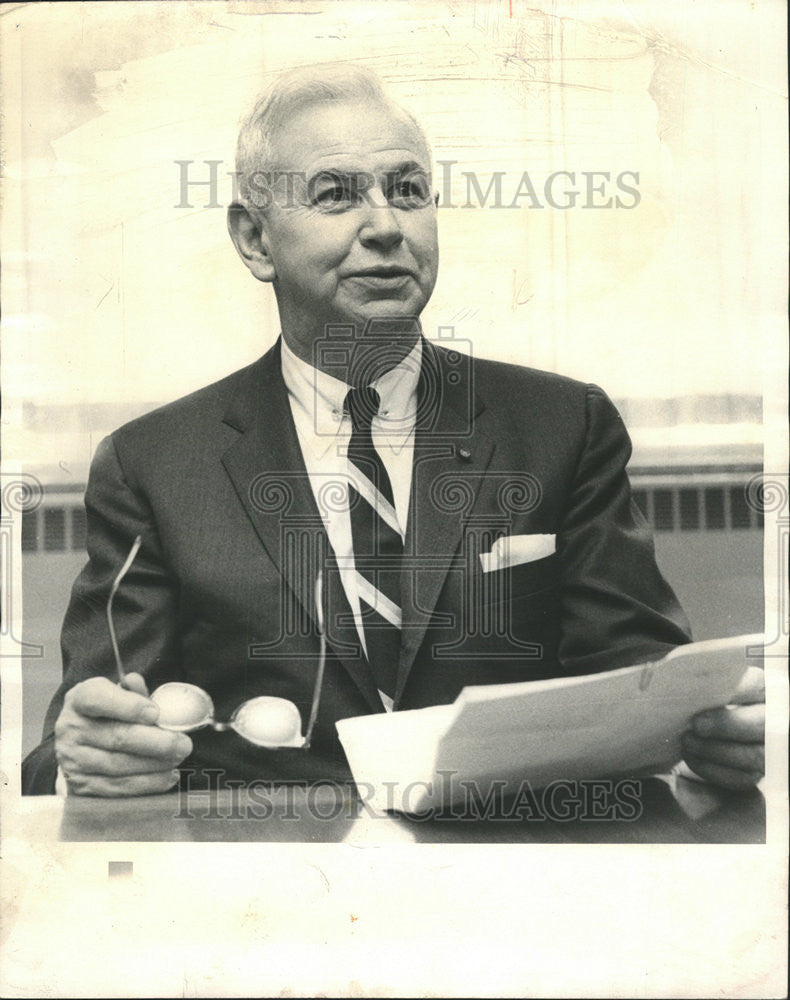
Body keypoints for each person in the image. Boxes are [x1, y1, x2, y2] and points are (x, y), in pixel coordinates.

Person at [22, 64, 764, 798]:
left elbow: (643, 678)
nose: (385, 225)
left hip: (513, 872)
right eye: (336, 194)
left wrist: (708, 734)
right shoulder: (153, 464)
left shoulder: (563, 427)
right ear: (255, 240)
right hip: (265, 884)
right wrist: (90, 758)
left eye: (407, 191)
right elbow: (82, 734)